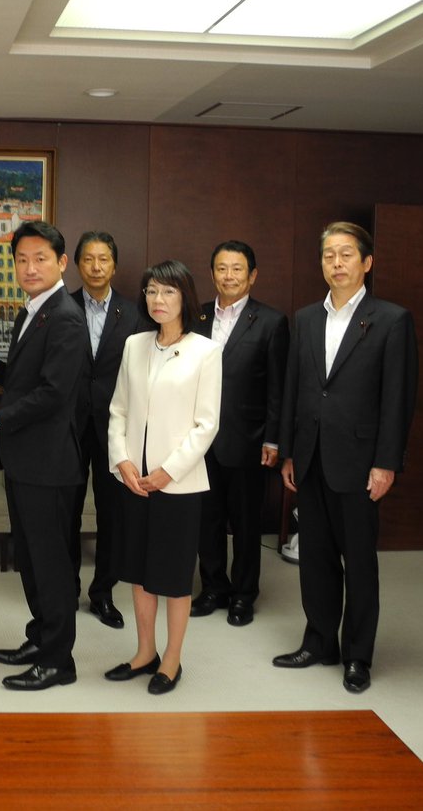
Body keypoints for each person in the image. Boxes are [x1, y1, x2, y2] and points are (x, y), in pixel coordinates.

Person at [275, 222, 418, 694]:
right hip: (311, 456)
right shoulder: (306, 318)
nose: (336, 263)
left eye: (346, 254)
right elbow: (295, 389)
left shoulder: (391, 320)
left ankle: (357, 654)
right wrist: (289, 451)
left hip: (360, 462)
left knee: (358, 562)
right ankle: (319, 641)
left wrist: (387, 462)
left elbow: (397, 399)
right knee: (314, 557)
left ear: (367, 262)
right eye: (328, 255)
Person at [0, 220, 88, 691]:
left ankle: (58, 661)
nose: (30, 268)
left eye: (40, 259)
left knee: (52, 564)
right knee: (33, 560)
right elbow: (25, 380)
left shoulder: (65, 317)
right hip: (27, 461)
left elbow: (53, 394)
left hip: (49, 464)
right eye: (22, 259)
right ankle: (40, 639)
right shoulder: (34, 310)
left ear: (61, 263)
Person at [105, 260, 221, 695]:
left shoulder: (205, 351)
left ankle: (172, 659)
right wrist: (122, 461)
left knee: (173, 577)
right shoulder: (134, 345)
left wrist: (168, 471)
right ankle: (144, 652)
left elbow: (206, 424)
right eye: (152, 291)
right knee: (138, 571)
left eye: (168, 292)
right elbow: (118, 410)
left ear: (185, 298)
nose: (159, 300)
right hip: (134, 481)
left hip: (178, 483)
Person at [191, 240, 289, 627]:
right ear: (212, 273)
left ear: (252, 276)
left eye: (237, 269)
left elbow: (278, 387)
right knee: (207, 520)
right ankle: (213, 587)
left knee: (246, 524)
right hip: (201, 441)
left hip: (249, 440)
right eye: (221, 268)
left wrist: (273, 438)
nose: (228, 276)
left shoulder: (271, 322)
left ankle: (243, 595)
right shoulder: (196, 317)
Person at [69, 231, 152, 630]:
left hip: (115, 428)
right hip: (68, 427)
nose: (96, 266)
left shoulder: (134, 314)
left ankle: (102, 593)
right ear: (77, 264)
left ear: (114, 266)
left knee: (112, 516)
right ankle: (66, 588)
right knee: (66, 513)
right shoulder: (61, 307)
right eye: (88, 259)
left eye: (103, 259)